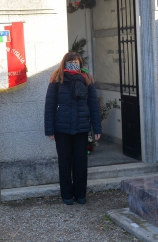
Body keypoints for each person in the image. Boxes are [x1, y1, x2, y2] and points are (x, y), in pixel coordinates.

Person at [44, 52, 101, 205]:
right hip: (62, 128)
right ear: (65, 63)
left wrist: (97, 129)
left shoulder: (87, 79)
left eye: (75, 62)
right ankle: (67, 195)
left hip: (81, 128)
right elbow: (50, 106)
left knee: (81, 163)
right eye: (70, 62)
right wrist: (49, 130)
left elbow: (94, 106)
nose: (72, 64)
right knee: (64, 162)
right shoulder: (57, 79)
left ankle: (80, 194)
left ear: (80, 63)